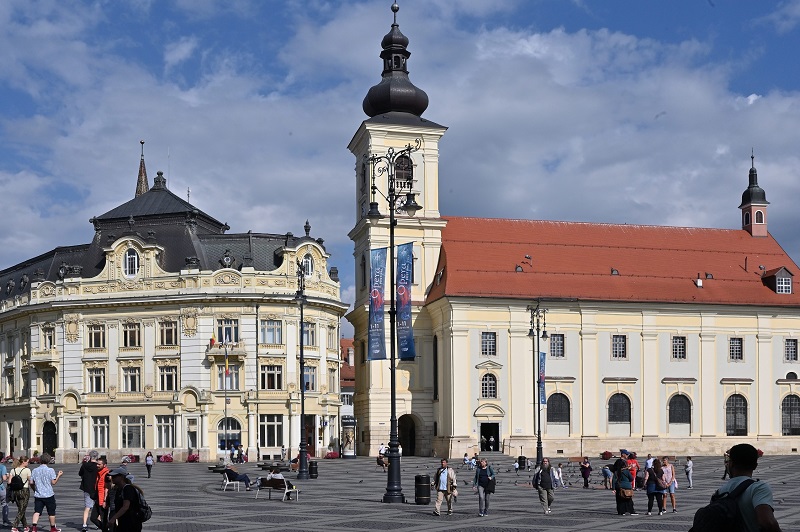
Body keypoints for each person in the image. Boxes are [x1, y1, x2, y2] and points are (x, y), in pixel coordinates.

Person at [703, 443, 782, 532]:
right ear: (755, 466)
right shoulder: (758, 488)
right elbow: (768, 523)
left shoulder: (719, 493)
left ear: (731, 464)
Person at [29, 452, 64, 532]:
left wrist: (34, 489)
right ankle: (53, 528)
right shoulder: (50, 470)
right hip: (49, 494)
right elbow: (53, 482)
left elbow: (31, 482)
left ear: (40, 460)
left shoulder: (35, 470)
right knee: (51, 512)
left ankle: (34, 527)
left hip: (38, 494)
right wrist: (58, 475)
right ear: (48, 461)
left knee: (37, 511)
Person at [107, 468, 143, 532]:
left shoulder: (128, 489)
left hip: (131, 522)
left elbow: (125, 507)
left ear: (121, 477)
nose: (112, 478)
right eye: (112, 476)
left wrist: (113, 518)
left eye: (115, 476)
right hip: (123, 522)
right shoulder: (119, 489)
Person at [9, 455, 31, 532]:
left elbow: (9, 482)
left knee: (21, 509)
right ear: (23, 462)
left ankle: (26, 526)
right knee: (22, 509)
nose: (28, 463)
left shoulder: (13, 470)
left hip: (16, 491)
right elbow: (30, 481)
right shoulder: (27, 470)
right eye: (27, 462)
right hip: (24, 490)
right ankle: (14, 526)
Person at [78, 450, 99, 532]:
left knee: (87, 507)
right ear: (96, 457)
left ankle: (84, 524)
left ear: (90, 456)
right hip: (95, 488)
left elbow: (80, 473)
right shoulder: (97, 466)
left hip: (87, 488)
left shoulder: (85, 465)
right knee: (97, 507)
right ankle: (98, 523)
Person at [613, 450, 637, 516]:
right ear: (623, 454)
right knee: (627, 498)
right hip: (625, 484)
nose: (627, 456)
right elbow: (631, 478)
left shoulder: (619, 464)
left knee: (620, 499)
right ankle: (629, 511)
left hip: (619, 484)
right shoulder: (621, 462)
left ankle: (621, 511)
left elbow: (614, 475)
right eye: (626, 454)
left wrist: (613, 487)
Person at [90, 457, 109, 532]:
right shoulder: (99, 473)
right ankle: (106, 529)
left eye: (99, 464)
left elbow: (107, 488)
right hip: (98, 499)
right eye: (97, 464)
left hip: (103, 500)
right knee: (93, 518)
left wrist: (105, 500)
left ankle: (107, 530)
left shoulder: (107, 474)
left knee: (104, 519)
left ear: (104, 465)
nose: (97, 465)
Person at [0, 454, 9, 527]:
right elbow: (4, 478)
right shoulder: (2, 467)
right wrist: (7, 476)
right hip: (1, 488)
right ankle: (5, 520)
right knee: (4, 504)